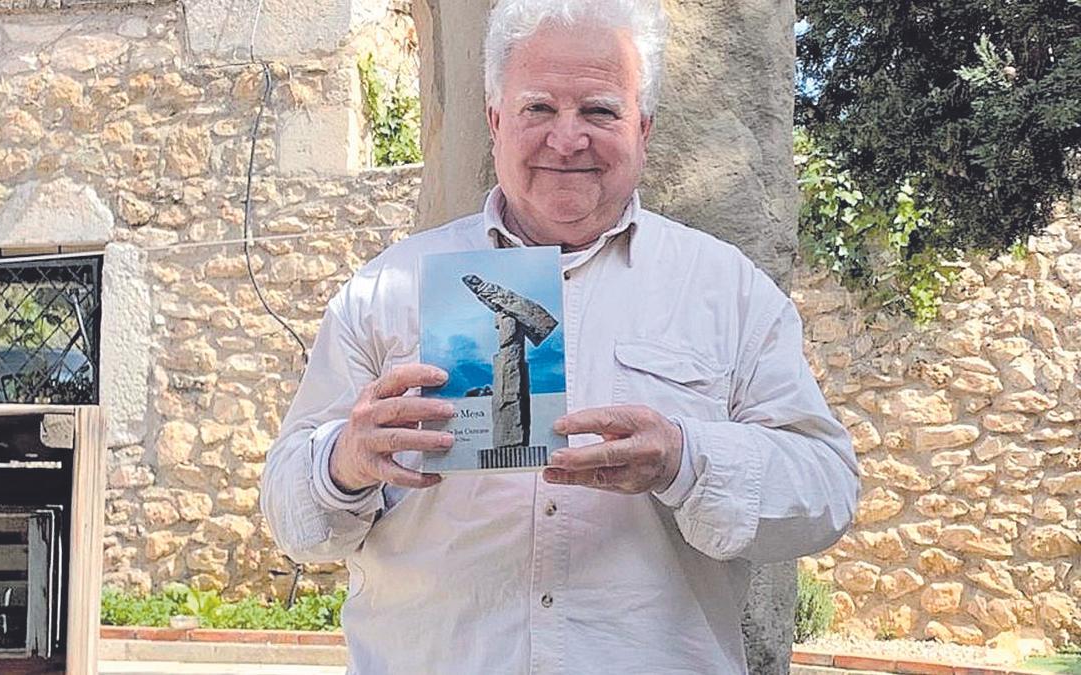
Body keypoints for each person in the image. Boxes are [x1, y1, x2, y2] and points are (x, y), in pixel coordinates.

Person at [261, 0, 859, 672]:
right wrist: (343, 461)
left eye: (600, 111)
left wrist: (688, 459)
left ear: (644, 126)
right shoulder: (384, 289)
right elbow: (290, 514)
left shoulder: (728, 291)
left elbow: (829, 490)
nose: (567, 139)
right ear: (495, 121)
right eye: (538, 108)